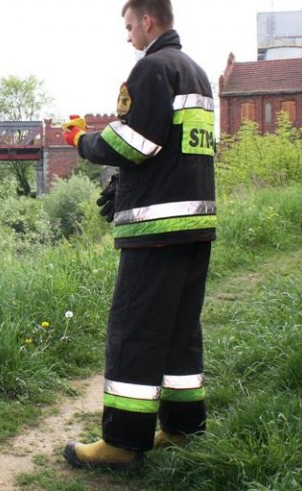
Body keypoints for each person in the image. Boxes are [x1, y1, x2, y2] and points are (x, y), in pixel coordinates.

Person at [60, 0, 216, 471]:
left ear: (148, 21)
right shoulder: (198, 74)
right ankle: (183, 428)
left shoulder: (150, 68)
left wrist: (81, 141)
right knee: (180, 332)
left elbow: (135, 142)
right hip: (195, 226)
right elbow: (174, 149)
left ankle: (122, 444)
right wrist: (123, 185)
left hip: (156, 231)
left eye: (129, 26)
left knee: (133, 331)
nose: (128, 36)